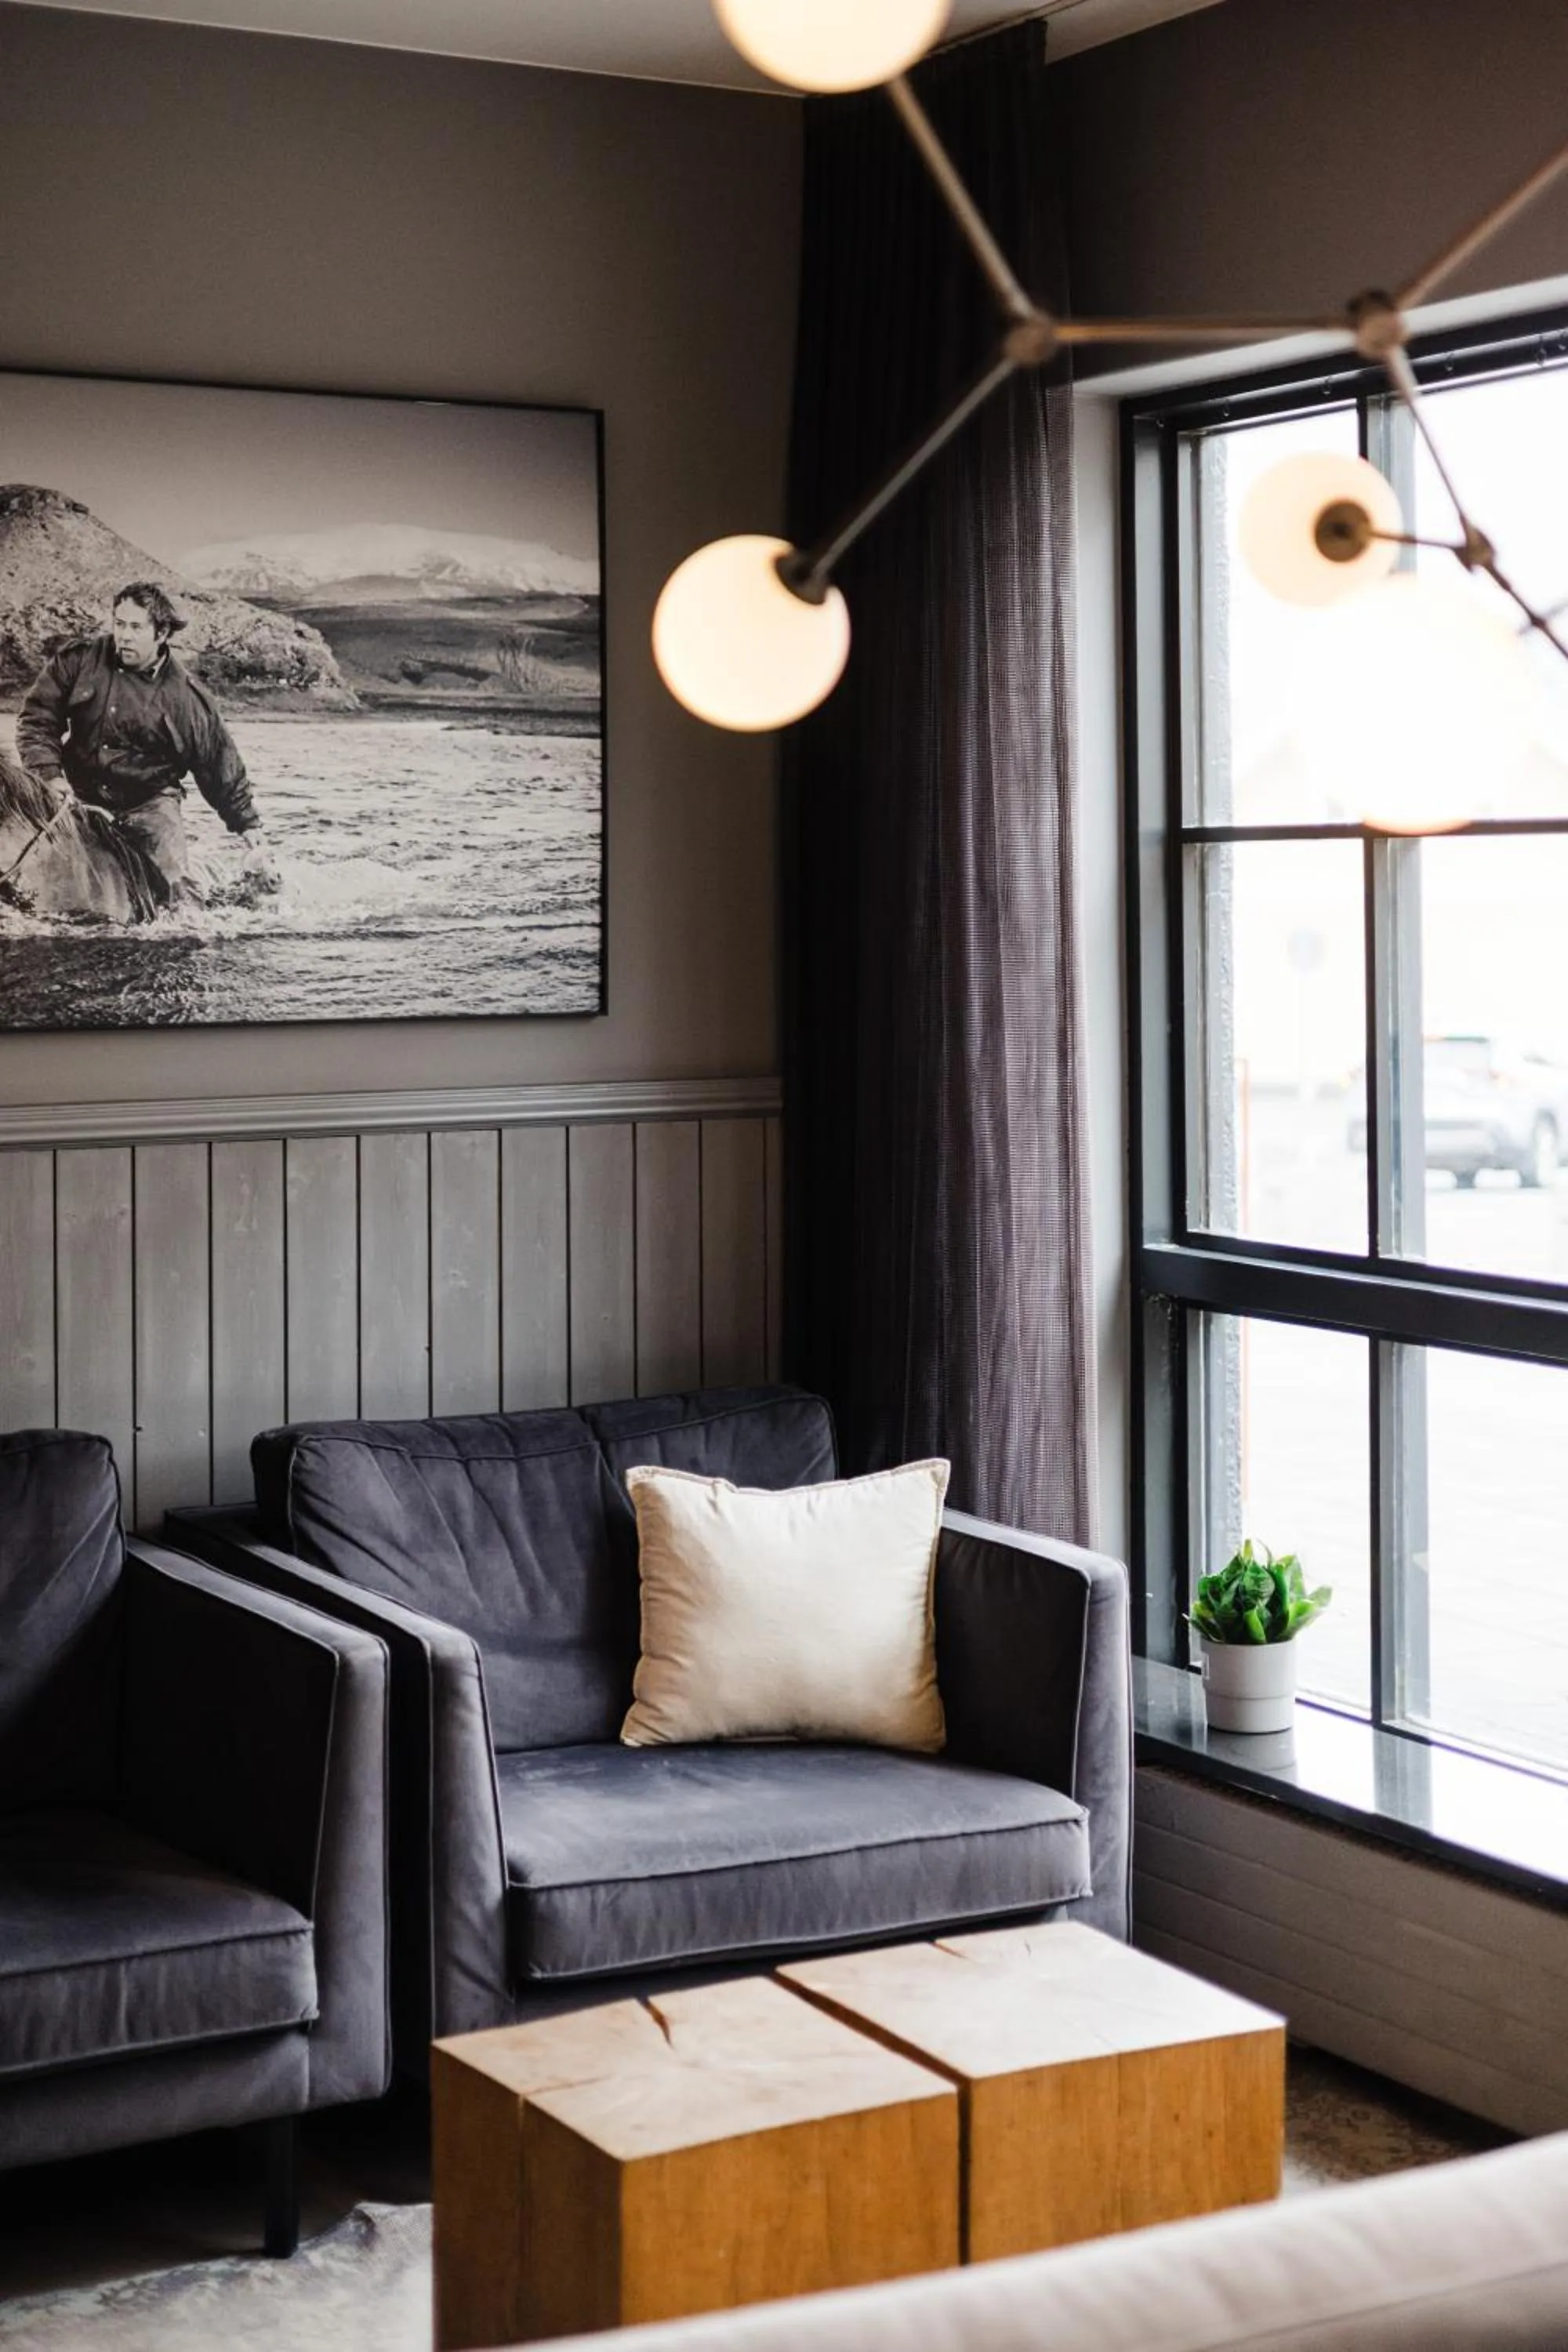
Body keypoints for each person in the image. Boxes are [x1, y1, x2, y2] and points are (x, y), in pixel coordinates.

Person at [15, 580, 279, 906]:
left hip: (150, 804)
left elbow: (218, 763)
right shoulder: (78, 660)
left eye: (136, 627)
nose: (124, 635)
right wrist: (48, 775)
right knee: (23, 866)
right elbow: (37, 720)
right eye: (120, 624)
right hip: (75, 796)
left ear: (162, 633)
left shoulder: (187, 699)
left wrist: (247, 825)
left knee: (177, 899)